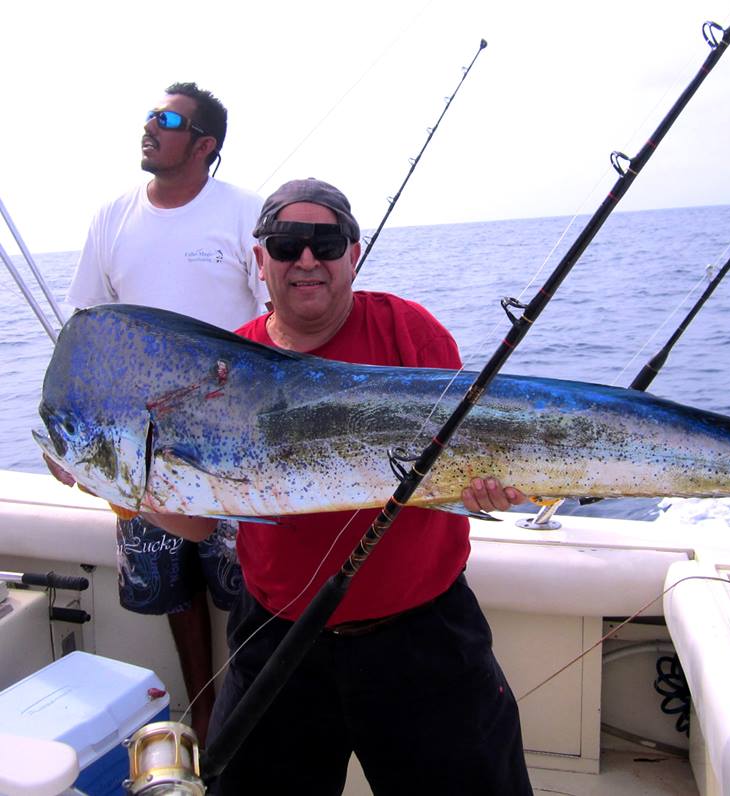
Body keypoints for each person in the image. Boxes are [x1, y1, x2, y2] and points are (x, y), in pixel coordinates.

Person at [147, 179, 535, 794]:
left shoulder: (410, 332)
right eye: (286, 243)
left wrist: (487, 486)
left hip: (424, 639)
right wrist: (126, 491)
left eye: (325, 243)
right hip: (278, 639)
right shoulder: (225, 368)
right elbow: (198, 522)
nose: (306, 260)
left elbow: (471, 454)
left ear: (353, 254)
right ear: (260, 260)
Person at [64, 82, 270, 746]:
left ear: (205, 145)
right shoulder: (111, 217)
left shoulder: (244, 212)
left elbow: (281, 322)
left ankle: (243, 713)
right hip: (137, 442)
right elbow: (88, 329)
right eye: (150, 115)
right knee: (171, 586)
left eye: (169, 119)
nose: (150, 126)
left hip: (236, 439)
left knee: (244, 583)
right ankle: (204, 705)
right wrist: (72, 439)